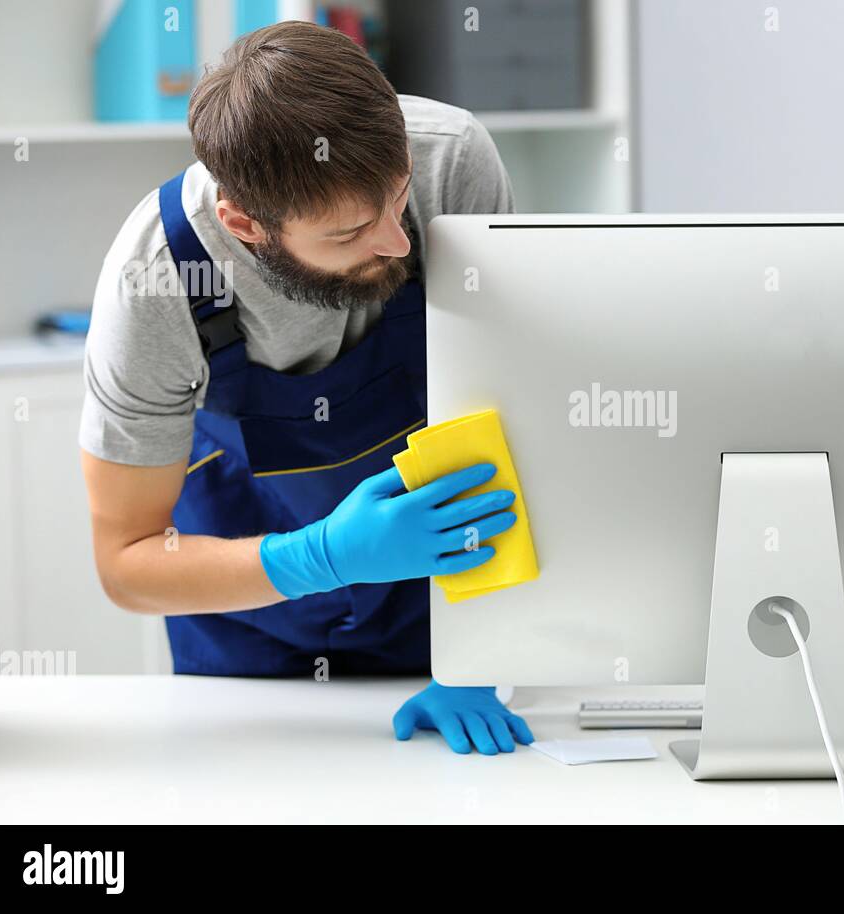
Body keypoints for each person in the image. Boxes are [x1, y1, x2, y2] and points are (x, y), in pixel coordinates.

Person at [79, 21, 533, 756]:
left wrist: (476, 654)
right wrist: (321, 557)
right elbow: (127, 564)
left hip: (440, 610)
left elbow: (506, 412)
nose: (398, 241)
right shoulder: (156, 284)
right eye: (351, 230)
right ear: (244, 224)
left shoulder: (450, 159)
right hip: (249, 642)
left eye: (397, 197)